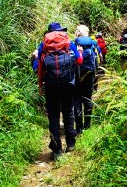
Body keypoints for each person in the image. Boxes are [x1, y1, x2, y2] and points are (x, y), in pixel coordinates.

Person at [37, 22, 83, 159]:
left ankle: (57, 150)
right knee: (68, 112)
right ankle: (71, 143)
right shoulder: (69, 42)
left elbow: (39, 67)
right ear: (61, 31)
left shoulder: (43, 46)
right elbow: (79, 61)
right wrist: (79, 52)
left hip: (51, 85)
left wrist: (40, 85)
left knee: (53, 116)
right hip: (68, 83)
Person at [74, 24, 100, 134]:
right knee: (88, 99)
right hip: (90, 74)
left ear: (78, 32)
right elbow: (97, 61)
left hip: (78, 75)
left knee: (77, 100)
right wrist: (96, 79)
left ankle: (79, 128)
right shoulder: (93, 43)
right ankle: (88, 126)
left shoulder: (75, 42)